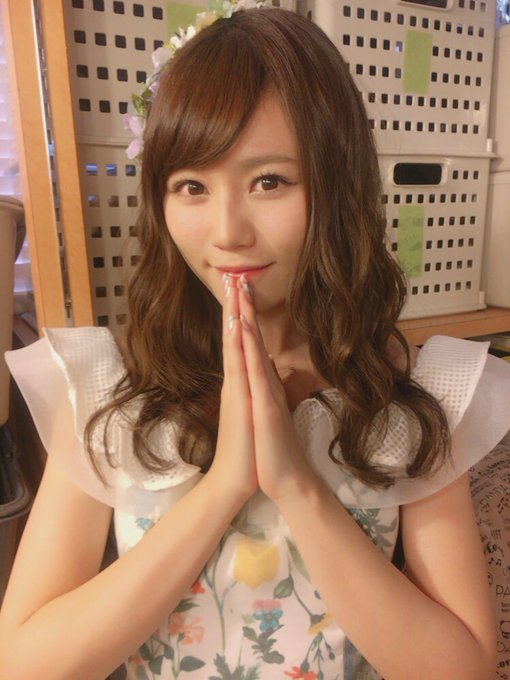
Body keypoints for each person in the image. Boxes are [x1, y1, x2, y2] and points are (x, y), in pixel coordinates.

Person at [0, 5, 508, 679]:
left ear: (338, 184)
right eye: (191, 186)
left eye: (269, 181)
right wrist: (223, 489)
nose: (227, 232)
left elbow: (464, 669)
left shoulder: (414, 397)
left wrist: (296, 484)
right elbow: (24, 664)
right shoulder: (106, 388)